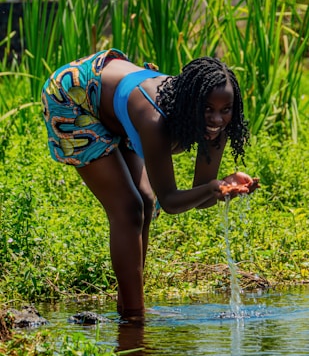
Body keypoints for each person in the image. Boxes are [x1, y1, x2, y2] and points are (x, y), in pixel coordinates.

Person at [41, 48, 259, 320]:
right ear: (191, 103)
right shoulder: (155, 120)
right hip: (75, 95)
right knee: (129, 209)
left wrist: (224, 187)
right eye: (207, 109)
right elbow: (170, 201)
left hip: (119, 104)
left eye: (225, 110)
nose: (216, 119)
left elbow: (200, 199)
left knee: (145, 199)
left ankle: (130, 305)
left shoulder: (218, 128)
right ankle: (134, 317)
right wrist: (214, 187)